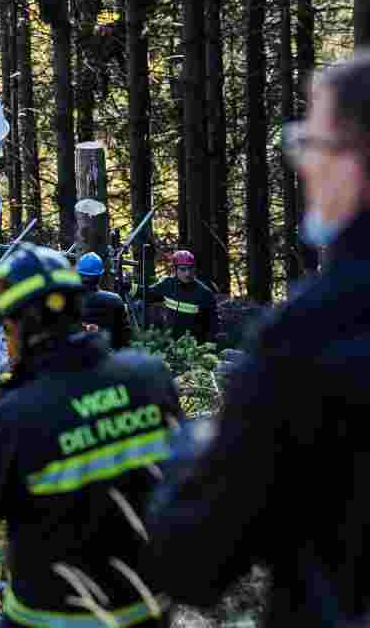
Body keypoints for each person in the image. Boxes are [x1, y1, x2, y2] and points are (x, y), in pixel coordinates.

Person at [146, 51, 370, 626]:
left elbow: (196, 557)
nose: (304, 168)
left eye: (311, 146)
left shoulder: (310, 334)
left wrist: (188, 455)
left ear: (355, 159)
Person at [0, 243, 184, 628]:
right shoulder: (150, 377)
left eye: (8, 327)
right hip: (147, 612)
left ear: (23, 326)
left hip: (48, 619)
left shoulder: (19, 416)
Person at [137, 250, 220, 345]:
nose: (187, 273)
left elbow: (213, 325)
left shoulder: (204, 293)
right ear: (175, 270)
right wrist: (129, 287)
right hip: (169, 343)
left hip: (194, 346)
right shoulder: (167, 285)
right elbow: (147, 293)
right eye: (183, 269)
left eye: (190, 269)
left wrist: (207, 346)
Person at [77, 251, 132, 350]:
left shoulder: (68, 301)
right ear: (101, 275)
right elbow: (125, 338)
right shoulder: (115, 300)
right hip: (108, 359)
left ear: (78, 274)